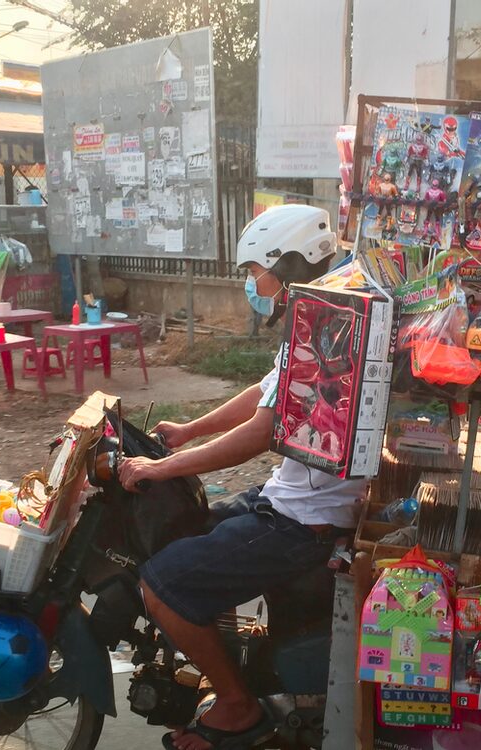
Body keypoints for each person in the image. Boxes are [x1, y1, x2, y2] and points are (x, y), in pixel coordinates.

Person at [117, 204, 365, 750]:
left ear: (288, 263)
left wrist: (163, 466)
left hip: (302, 521)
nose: (253, 284)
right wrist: (189, 429)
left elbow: (264, 429)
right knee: (183, 534)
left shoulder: (330, 323)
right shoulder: (321, 312)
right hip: (290, 500)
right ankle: (232, 673)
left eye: (255, 271)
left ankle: (237, 706)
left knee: (162, 585)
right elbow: (264, 392)